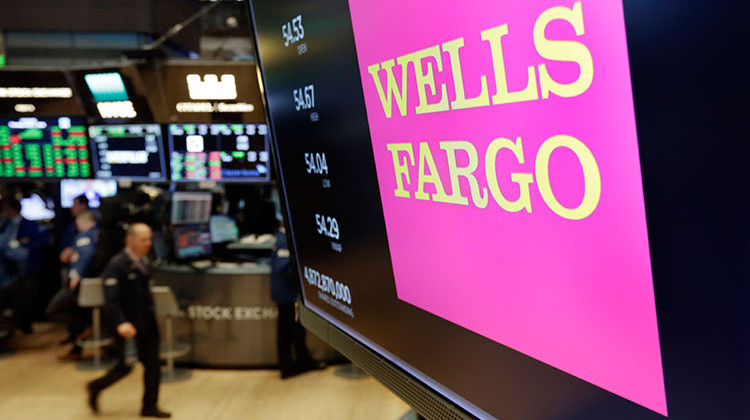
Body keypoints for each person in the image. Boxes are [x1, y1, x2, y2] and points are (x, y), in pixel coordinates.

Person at [87, 223, 170, 418]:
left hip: (147, 323)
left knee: (153, 365)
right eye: (143, 240)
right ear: (130, 240)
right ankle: (95, 386)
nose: (148, 244)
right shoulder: (117, 265)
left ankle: (149, 406)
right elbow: (111, 300)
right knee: (125, 367)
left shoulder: (143, 261)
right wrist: (120, 323)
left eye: (150, 239)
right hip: (129, 326)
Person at [270, 222, 324, 379]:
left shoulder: (279, 237)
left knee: (289, 332)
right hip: (287, 294)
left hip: (285, 293)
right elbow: (281, 267)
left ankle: (296, 364)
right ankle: (293, 366)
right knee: (291, 331)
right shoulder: (283, 240)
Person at [0, 198, 49, 333]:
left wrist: (27, 247)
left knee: (28, 293)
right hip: (8, 269)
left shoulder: (29, 224)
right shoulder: (4, 226)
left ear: (13, 210)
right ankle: (14, 322)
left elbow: (44, 238)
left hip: (26, 266)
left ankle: (24, 324)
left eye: (5, 209)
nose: (4, 212)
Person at [56, 211, 99, 361]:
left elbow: (85, 255)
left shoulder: (85, 236)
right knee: (78, 313)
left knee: (55, 309)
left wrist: (76, 275)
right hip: (95, 287)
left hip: (82, 285)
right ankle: (81, 341)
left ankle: (90, 328)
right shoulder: (98, 234)